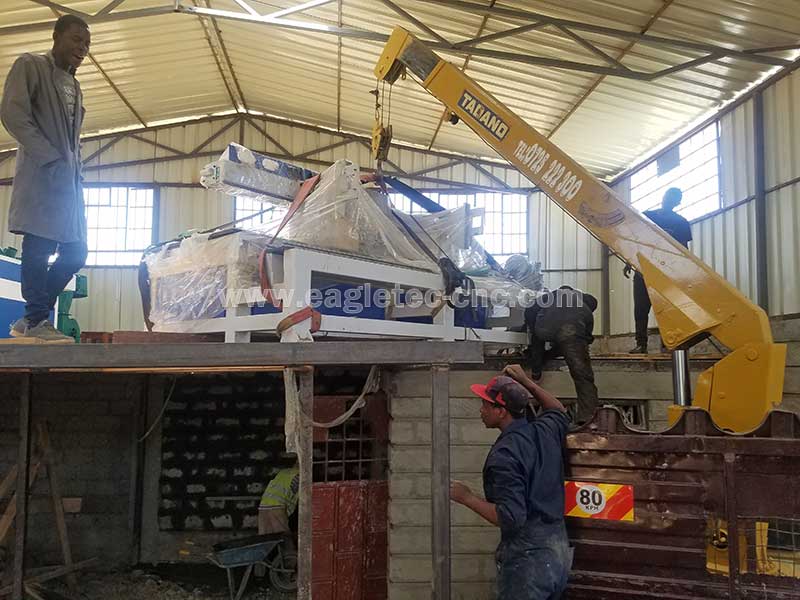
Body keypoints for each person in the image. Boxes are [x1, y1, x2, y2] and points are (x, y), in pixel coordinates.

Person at [1, 15, 91, 343]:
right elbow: (13, 113)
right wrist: (49, 157)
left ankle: (30, 320)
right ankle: (37, 320)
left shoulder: (75, 85)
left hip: (68, 182)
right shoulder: (30, 66)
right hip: (41, 174)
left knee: (76, 252)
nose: (82, 48)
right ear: (56, 37)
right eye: (76, 39)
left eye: (86, 43)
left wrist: (73, 169)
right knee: (38, 246)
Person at [450, 365, 573, 600]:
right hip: (558, 553)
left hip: (528, 562)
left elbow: (510, 518)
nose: (481, 409)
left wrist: (466, 497)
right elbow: (557, 410)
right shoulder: (544, 431)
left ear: (501, 411)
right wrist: (527, 382)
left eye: (486, 404)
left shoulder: (505, 456)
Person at [625, 187, 692, 354]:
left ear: (678, 203)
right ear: (663, 196)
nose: (670, 199)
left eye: (674, 198)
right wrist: (628, 260)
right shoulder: (648, 216)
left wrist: (683, 271)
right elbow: (635, 239)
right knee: (641, 308)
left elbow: (683, 250)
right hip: (643, 269)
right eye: (669, 195)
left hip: (666, 272)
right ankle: (641, 344)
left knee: (667, 309)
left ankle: (667, 343)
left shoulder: (681, 223)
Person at [525, 285, 599, 425]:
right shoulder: (584, 304)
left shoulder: (550, 296)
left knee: (538, 342)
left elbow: (530, 309)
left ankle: (536, 371)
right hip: (570, 333)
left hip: (544, 328)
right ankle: (588, 417)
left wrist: (532, 326)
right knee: (583, 376)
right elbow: (587, 338)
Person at [259, 463, 299, 542]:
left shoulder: (283, 472)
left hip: (263, 507)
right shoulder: (299, 476)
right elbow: (305, 500)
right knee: (283, 540)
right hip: (277, 508)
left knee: (265, 540)